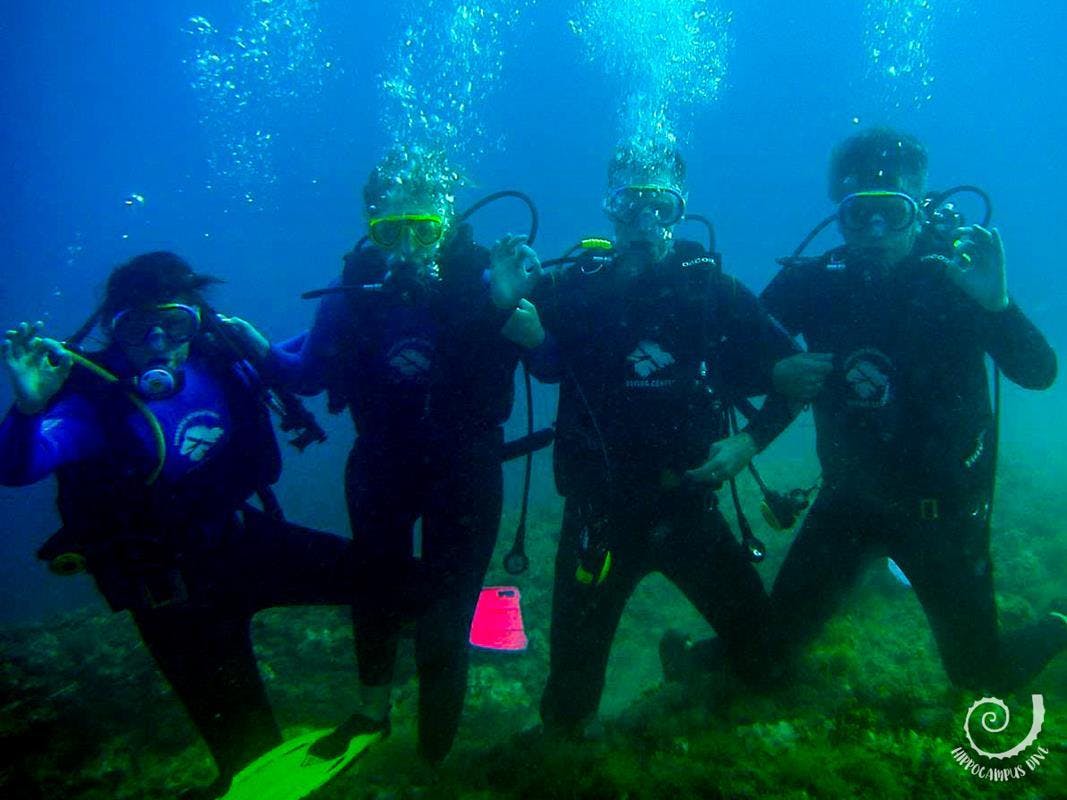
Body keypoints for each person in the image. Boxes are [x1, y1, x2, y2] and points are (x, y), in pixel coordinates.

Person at [676, 128, 1066, 693]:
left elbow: (1039, 373)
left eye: (894, 212)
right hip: (849, 504)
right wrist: (760, 413)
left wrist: (998, 306)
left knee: (981, 675)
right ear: (839, 215)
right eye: (860, 216)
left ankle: (1060, 622)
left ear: (919, 208)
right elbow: (743, 365)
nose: (877, 231)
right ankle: (861, 579)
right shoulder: (815, 283)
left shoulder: (956, 278)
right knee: (765, 661)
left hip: (944, 509)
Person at [0, 252, 359, 800]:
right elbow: (17, 467)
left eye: (174, 323)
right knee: (252, 764)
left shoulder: (225, 361)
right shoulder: (96, 402)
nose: (158, 343)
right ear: (112, 330)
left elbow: (307, 359)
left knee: (396, 581)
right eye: (137, 328)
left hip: (244, 542)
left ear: (197, 322)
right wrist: (27, 409)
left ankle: (388, 696)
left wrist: (351, 306)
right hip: (172, 597)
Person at [267, 146, 549, 765]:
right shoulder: (352, 296)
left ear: (446, 224)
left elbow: (551, 365)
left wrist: (516, 314)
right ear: (371, 228)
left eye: (423, 231)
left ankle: (432, 757)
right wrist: (248, 348)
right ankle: (371, 715)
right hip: (381, 464)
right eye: (389, 231)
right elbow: (306, 375)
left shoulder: (490, 279)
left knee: (446, 615)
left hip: (466, 468)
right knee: (373, 592)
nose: (407, 249)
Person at [532, 142, 799, 737]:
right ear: (609, 209)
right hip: (598, 519)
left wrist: (749, 442)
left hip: (687, 509)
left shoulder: (713, 292)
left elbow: (797, 374)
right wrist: (502, 295)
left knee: (768, 662)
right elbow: (500, 347)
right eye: (629, 204)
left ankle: (692, 662)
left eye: (661, 204)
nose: (645, 220)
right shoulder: (571, 290)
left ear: (682, 210)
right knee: (567, 711)